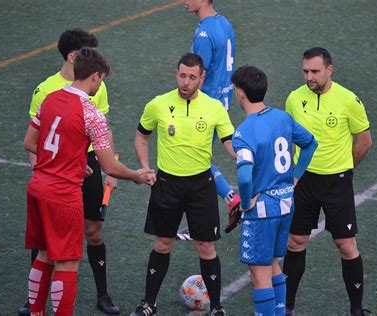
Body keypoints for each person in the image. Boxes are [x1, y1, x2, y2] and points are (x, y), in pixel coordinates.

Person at [23, 47, 155, 316]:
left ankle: (36, 313)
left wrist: (72, 162)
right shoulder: (91, 113)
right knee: (67, 262)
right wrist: (135, 175)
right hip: (62, 195)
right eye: (102, 78)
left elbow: (30, 143)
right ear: (94, 76)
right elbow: (109, 165)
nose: (101, 83)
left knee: (44, 255)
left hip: (38, 188)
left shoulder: (50, 98)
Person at [19, 28, 122, 315]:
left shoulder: (92, 90)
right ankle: (35, 304)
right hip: (60, 178)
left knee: (92, 231)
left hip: (82, 164)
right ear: (75, 57)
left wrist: (101, 170)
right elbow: (34, 144)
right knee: (60, 254)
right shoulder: (46, 90)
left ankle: (102, 295)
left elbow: (103, 127)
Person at [131, 53, 235, 316]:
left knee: (206, 246)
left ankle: (217, 307)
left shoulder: (214, 108)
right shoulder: (158, 104)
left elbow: (229, 142)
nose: (185, 82)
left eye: (192, 77)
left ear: (202, 78)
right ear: (176, 74)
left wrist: (245, 156)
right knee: (163, 243)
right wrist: (145, 166)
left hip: (201, 186)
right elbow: (141, 136)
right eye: (182, 75)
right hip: (167, 184)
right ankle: (149, 303)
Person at [282, 47, 373, 316]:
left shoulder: (348, 100)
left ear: (329, 70)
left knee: (346, 246)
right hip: (304, 183)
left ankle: (356, 309)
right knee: (296, 243)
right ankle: (287, 307)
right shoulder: (294, 99)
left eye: (315, 71)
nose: (309, 77)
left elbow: (364, 141)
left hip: (337, 183)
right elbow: (288, 140)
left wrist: (345, 167)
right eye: (306, 71)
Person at [231, 65, 317, 316]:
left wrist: (245, 202)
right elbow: (310, 143)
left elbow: (245, 175)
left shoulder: (243, 133)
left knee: (259, 276)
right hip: (286, 204)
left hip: (261, 212)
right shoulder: (282, 118)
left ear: (240, 94)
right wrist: (296, 176)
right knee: (273, 265)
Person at [185, 0, 241, 232]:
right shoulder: (224, 23)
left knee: (192, 162)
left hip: (204, 106)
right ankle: (231, 198)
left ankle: (201, 224)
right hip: (222, 101)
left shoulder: (205, 33)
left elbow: (198, 74)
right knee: (198, 159)